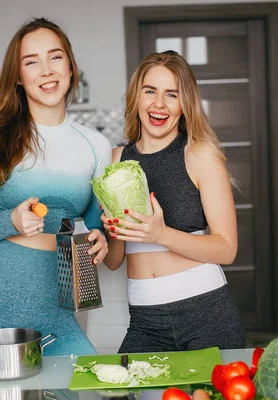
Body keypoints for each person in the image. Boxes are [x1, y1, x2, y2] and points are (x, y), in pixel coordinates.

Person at [0, 18, 111, 357]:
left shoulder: (97, 146)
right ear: (19, 77)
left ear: (71, 67)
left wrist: (100, 239)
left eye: (55, 57)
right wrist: (10, 221)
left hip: (55, 309)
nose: (46, 70)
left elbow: (91, 227)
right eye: (31, 61)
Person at [102, 51, 245, 353]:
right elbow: (114, 261)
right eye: (150, 91)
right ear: (136, 97)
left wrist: (161, 234)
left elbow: (227, 249)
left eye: (172, 95)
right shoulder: (116, 160)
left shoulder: (199, 155)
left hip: (206, 315)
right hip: (144, 320)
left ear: (184, 104)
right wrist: (113, 230)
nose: (159, 104)